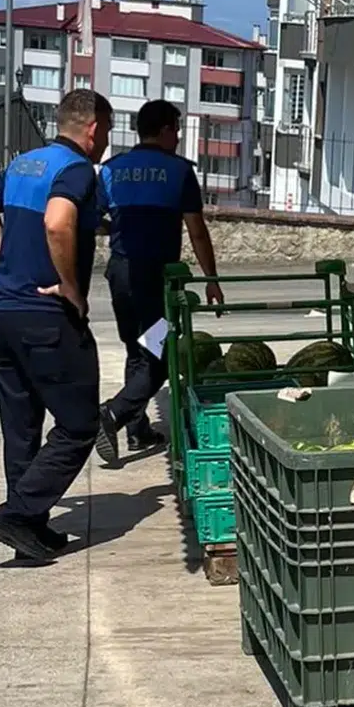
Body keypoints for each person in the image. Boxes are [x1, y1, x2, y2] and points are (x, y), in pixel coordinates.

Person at [0, 89, 113, 563]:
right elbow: (57, 223)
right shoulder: (76, 172)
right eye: (106, 132)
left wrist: (8, 259)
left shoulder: (24, 164)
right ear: (93, 130)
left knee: (21, 427)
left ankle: (30, 525)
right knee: (78, 424)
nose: (106, 142)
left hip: (2, 314)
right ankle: (19, 514)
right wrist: (71, 287)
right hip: (47, 320)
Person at [93, 98, 222, 465]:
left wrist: (116, 227)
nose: (179, 137)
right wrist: (211, 279)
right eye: (177, 129)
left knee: (138, 349)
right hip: (156, 277)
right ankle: (115, 414)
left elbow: (91, 219)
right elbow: (197, 232)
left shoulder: (112, 170)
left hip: (121, 272)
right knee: (162, 354)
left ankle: (137, 430)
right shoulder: (178, 171)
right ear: (164, 130)